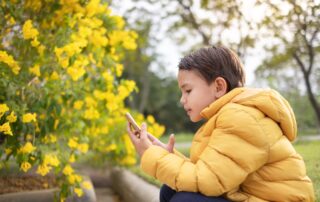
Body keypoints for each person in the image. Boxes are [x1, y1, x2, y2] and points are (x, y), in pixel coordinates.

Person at [127, 45, 315, 202]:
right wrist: (167, 156)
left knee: (185, 200)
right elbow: (213, 172)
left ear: (218, 87)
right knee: (170, 190)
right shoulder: (228, 115)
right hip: (252, 196)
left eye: (188, 91)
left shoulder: (241, 117)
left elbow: (208, 181)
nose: (182, 100)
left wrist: (150, 155)